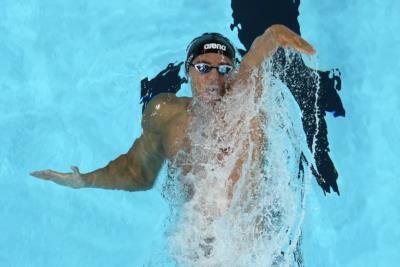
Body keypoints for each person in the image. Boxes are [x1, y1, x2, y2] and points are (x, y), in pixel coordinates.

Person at [30, 25, 315, 197]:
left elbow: (257, 55)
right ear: (188, 72)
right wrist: (85, 180)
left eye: (224, 69)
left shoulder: (244, 103)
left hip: (256, 246)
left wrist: (274, 34)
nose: (214, 78)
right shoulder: (166, 115)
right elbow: (137, 173)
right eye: (203, 68)